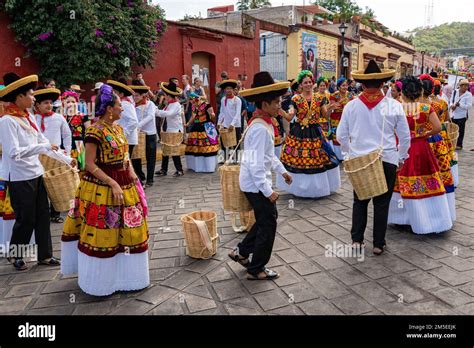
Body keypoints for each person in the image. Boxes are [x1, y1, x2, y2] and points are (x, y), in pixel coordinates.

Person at [61, 84, 149, 296]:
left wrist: (133, 175)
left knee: (128, 230)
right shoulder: (94, 131)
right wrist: (113, 183)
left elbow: (125, 155)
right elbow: (89, 164)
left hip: (125, 184)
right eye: (119, 105)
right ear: (109, 108)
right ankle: (102, 282)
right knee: (103, 232)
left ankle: (126, 278)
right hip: (101, 187)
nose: (123, 108)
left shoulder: (118, 129)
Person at [0, 73, 74, 270]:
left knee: (42, 216)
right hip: (19, 176)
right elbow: (14, 152)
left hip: (36, 173)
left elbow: (44, 143)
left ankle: (45, 256)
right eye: (31, 95)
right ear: (19, 97)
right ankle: (15, 255)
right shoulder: (7, 121)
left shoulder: (29, 116)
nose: (34, 98)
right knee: (26, 219)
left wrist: (67, 160)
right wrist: (41, 148)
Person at [337, 60, 411, 255]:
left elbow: (340, 136)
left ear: (362, 84)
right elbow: (404, 137)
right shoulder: (394, 105)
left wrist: (349, 153)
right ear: (382, 84)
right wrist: (401, 157)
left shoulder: (351, 106)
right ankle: (378, 243)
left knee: (359, 200)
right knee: (382, 202)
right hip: (386, 158)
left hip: (360, 161)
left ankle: (356, 241)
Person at [228, 71, 292, 280]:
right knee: (269, 222)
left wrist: (282, 171)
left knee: (266, 219)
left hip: (255, 183)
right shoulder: (260, 128)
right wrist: (268, 191)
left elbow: (268, 155)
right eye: (275, 102)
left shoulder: (263, 123)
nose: (279, 106)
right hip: (255, 184)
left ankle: (242, 252)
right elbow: (256, 165)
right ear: (264, 104)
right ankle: (257, 269)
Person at [388, 76, 453, 234]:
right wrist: (423, 134)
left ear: (403, 92)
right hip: (422, 148)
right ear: (419, 91)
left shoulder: (397, 108)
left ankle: (401, 219)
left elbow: (389, 129)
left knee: (400, 182)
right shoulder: (426, 108)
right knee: (426, 179)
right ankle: (428, 219)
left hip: (403, 147)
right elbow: (438, 127)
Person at [277, 70, 340, 198]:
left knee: (318, 158)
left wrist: (331, 109)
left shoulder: (319, 98)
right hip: (299, 132)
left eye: (310, 82)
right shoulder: (296, 99)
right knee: (299, 158)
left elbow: (324, 115)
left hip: (315, 131)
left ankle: (317, 188)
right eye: (305, 82)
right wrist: (280, 111)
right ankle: (300, 188)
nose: (308, 84)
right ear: (301, 84)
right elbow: (290, 117)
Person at [34, 87, 72, 223]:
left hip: (56, 156)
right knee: (42, 186)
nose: (49, 105)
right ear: (37, 105)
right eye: (45, 103)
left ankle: (55, 212)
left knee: (56, 184)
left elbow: (67, 135)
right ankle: (43, 212)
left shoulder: (59, 118)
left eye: (50, 102)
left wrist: (67, 151)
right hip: (38, 156)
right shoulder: (33, 119)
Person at [155, 79, 185, 177]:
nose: (164, 97)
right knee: (165, 150)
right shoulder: (170, 104)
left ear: (168, 95)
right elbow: (163, 113)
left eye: (165, 95)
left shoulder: (176, 104)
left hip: (175, 130)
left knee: (174, 151)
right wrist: (157, 111)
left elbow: (168, 114)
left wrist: (156, 111)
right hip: (169, 130)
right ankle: (164, 169)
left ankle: (179, 170)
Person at [184, 93, 219, 172]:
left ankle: (208, 166)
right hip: (196, 127)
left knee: (207, 146)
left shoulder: (206, 105)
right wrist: (188, 124)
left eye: (192, 100)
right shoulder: (194, 107)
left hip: (206, 127)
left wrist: (213, 117)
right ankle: (196, 166)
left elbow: (212, 115)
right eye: (190, 100)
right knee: (195, 146)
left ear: (196, 99)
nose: (191, 102)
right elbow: (193, 116)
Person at [132, 82, 157, 187]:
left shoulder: (150, 104)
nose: (135, 98)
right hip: (138, 135)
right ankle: (141, 177)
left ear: (143, 95)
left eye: (137, 96)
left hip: (150, 134)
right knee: (136, 158)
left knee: (150, 157)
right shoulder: (133, 106)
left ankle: (150, 180)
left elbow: (151, 116)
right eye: (133, 96)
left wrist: (138, 125)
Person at [107, 79, 139, 156]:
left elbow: (134, 121)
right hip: (125, 139)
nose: (113, 94)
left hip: (127, 139)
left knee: (125, 163)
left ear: (121, 94)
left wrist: (123, 134)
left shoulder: (125, 104)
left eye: (115, 92)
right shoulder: (122, 103)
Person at [327, 77, 355, 160]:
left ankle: (346, 155)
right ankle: (338, 156)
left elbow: (353, 106)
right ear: (339, 87)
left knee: (346, 135)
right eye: (343, 85)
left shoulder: (350, 95)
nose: (345, 87)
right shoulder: (334, 95)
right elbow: (334, 107)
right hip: (336, 118)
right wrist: (341, 102)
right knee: (336, 136)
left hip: (347, 118)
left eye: (346, 85)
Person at [62, 91, 91, 171]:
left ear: (77, 102)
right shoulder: (62, 117)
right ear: (64, 103)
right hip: (65, 145)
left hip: (78, 145)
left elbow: (89, 131)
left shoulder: (83, 116)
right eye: (68, 102)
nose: (70, 104)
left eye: (73, 101)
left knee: (79, 169)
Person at [217, 79, 242, 160]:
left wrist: (232, 124)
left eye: (230, 88)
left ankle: (237, 160)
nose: (229, 90)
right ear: (224, 90)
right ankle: (224, 159)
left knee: (236, 144)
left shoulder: (237, 100)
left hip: (236, 125)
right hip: (226, 124)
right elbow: (222, 112)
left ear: (233, 90)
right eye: (227, 89)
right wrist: (219, 122)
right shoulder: (223, 99)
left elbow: (238, 113)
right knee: (224, 143)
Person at [450, 79, 472, 150]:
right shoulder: (454, 92)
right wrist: (452, 106)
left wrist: (460, 105)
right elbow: (450, 101)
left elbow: (469, 106)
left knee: (461, 131)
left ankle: (459, 145)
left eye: (467, 86)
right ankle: (452, 143)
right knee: (453, 130)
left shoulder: (468, 94)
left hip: (462, 116)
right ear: (461, 86)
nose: (466, 87)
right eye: (465, 86)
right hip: (453, 114)